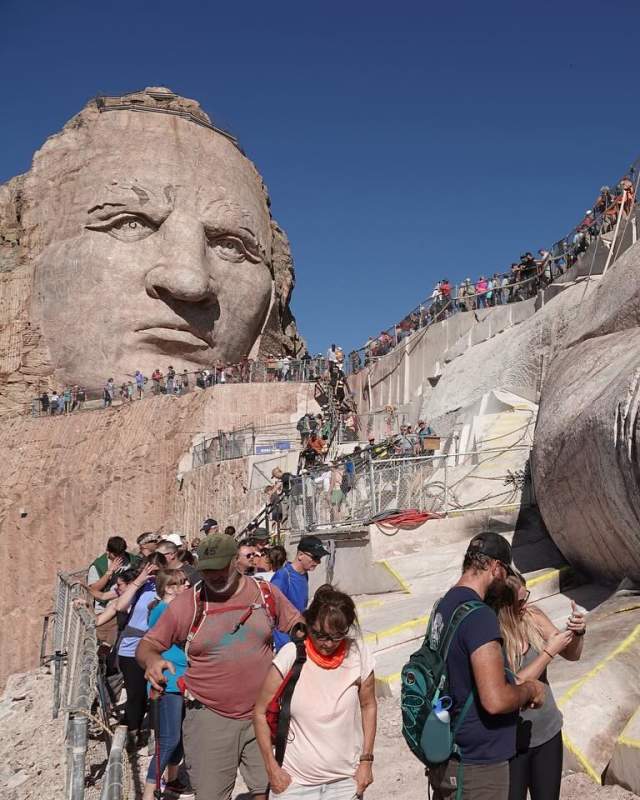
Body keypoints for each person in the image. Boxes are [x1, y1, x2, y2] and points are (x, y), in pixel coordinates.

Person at [137, 533, 302, 800]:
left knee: (269, 790)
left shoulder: (265, 594)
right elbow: (147, 645)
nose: (213, 577)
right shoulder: (187, 604)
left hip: (263, 713)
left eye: (220, 569)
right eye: (207, 571)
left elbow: (295, 624)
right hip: (210, 716)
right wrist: (153, 661)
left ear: (236, 561)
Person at [425, 532, 545, 800]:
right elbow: (495, 699)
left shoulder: (443, 607)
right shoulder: (479, 617)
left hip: (448, 754)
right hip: (478, 766)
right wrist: (530, 690)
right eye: (505, 575)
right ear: (496, 568)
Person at [254, 585, 377, 799]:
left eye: (336, 637)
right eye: (320, 635)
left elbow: (369, 705)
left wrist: (366, 761)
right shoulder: (290, 656)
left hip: (345, 784)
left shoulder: (359, 654)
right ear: (309, 624)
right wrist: (272, 769)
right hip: (295, 785)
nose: (327, 644)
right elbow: (259, 713)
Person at [486, 573, 586, 800]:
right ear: (504, 605)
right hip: (511, 743)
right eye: (520, 602)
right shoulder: (493, 635)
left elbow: (573, 654)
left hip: (548, 732)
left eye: (527, 595)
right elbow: (513, 684)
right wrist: (548, 652)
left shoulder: (533, 616)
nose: (526, 605)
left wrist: (578, 632)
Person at [142, 569, 190, 800]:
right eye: (182, 583)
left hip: (179, 680)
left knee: (178, 736)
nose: (187, 585)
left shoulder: (169, 609)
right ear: (170, 588)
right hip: (167, 681)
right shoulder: (163, 610)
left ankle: (172, 780)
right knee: (169, 738)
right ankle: (149, 793)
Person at [271, 536, 330, 651]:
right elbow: (271, 614)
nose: (318, 562)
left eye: (319, 558)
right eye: (315, 557)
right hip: (285, 644)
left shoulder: (304, 575)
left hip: (299, 638)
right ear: (300, 555)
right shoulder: (282, 577)